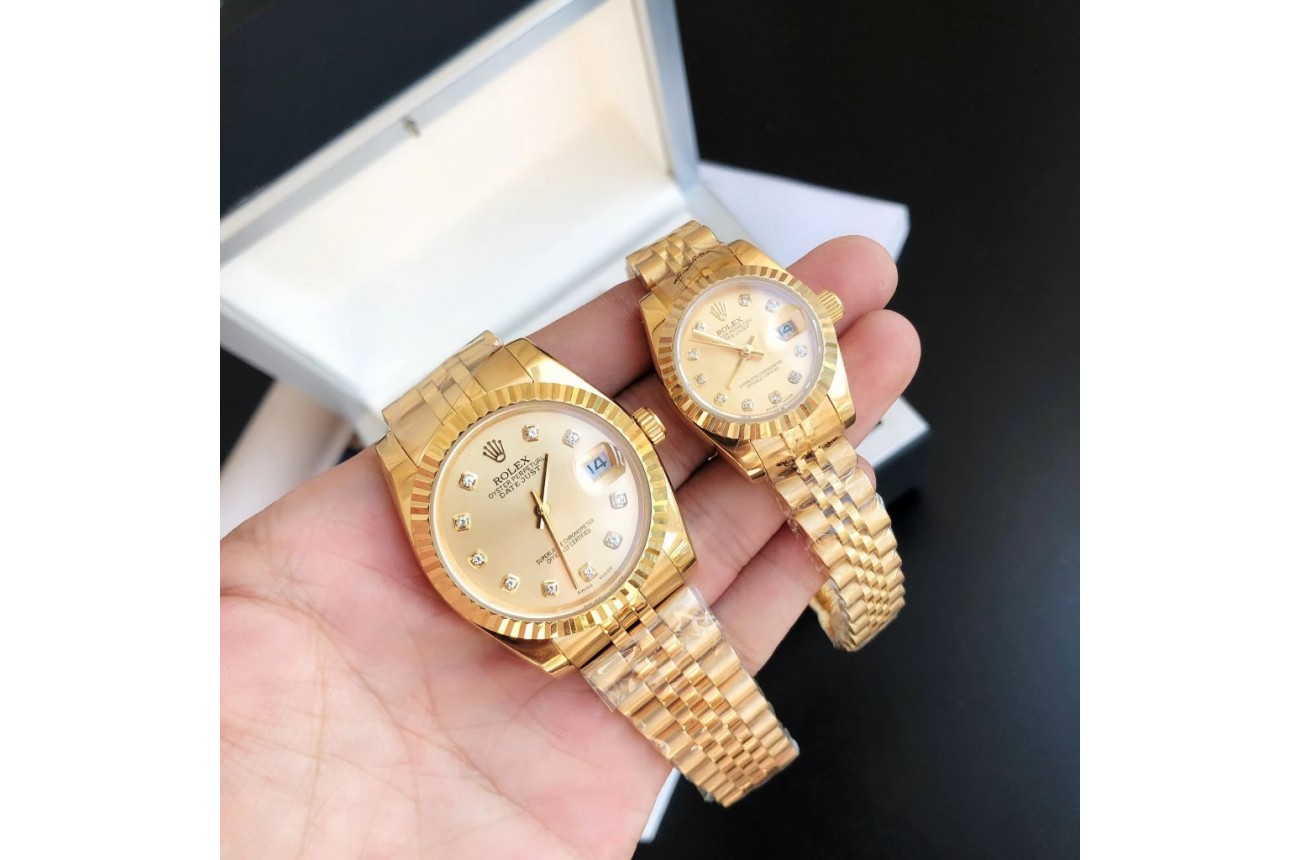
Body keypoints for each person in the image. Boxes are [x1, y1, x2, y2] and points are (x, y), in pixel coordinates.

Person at [221, 235, 920, 857]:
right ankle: (745, 763)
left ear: (638, 432)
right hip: (576, 605)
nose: (537, 505)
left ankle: (747, 761)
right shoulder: (435, 499)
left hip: (619, 563)